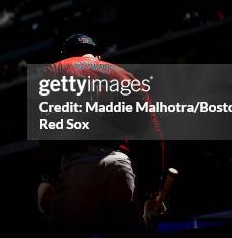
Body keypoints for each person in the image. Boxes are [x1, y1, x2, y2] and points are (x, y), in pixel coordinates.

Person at [37, 34, 166, 237]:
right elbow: (152, 135)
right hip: (121, 166)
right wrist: (153, 190)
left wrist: (48, 178)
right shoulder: (126, 75)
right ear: (97, 55)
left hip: (79, 165)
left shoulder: (56, 69)